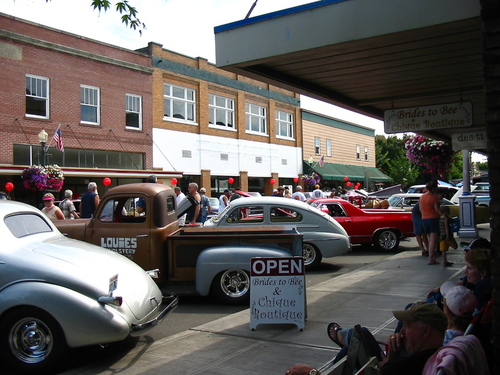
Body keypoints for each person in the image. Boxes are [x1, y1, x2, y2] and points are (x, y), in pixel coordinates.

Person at [325, 302, 447, 375]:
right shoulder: (442, 353)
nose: (402, 332)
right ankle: (343, 336)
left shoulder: (403, 366)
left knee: (358, 339)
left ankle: (341, 337)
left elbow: (387, 369)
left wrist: (390, 358)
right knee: (358, 339)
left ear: (426, 330)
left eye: (407, 326)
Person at [419, 181, 440, 265]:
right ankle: (431, 259)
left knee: (428, 238)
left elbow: (421, 209)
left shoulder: (422, 197)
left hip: (424, 218)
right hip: (433, 218)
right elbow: (437, 209)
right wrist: (442, 215)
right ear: (433, 188)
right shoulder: (434, 197)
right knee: (433, 240)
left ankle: (433, 258)